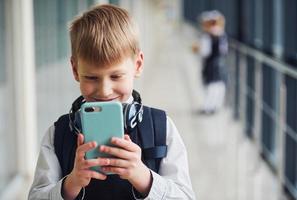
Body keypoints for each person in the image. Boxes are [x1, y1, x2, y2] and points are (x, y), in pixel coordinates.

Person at [28, 4, 195, 200]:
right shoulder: (58, 134)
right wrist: (71, 183)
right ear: (75, 70)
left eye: (116, 76)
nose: (105, 91)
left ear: (138, 65)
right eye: (91, 77)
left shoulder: (161, 127)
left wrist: (143, 177)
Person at [192, 10, 228, 114]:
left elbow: (205, 52)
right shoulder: (222, 35)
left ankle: (208, 107)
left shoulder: (207, 36)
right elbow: (224, 51)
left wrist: (197, 49)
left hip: (210, 64)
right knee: (219, 85)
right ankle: (214, 106)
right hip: (220, 63)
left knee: (211, 86)